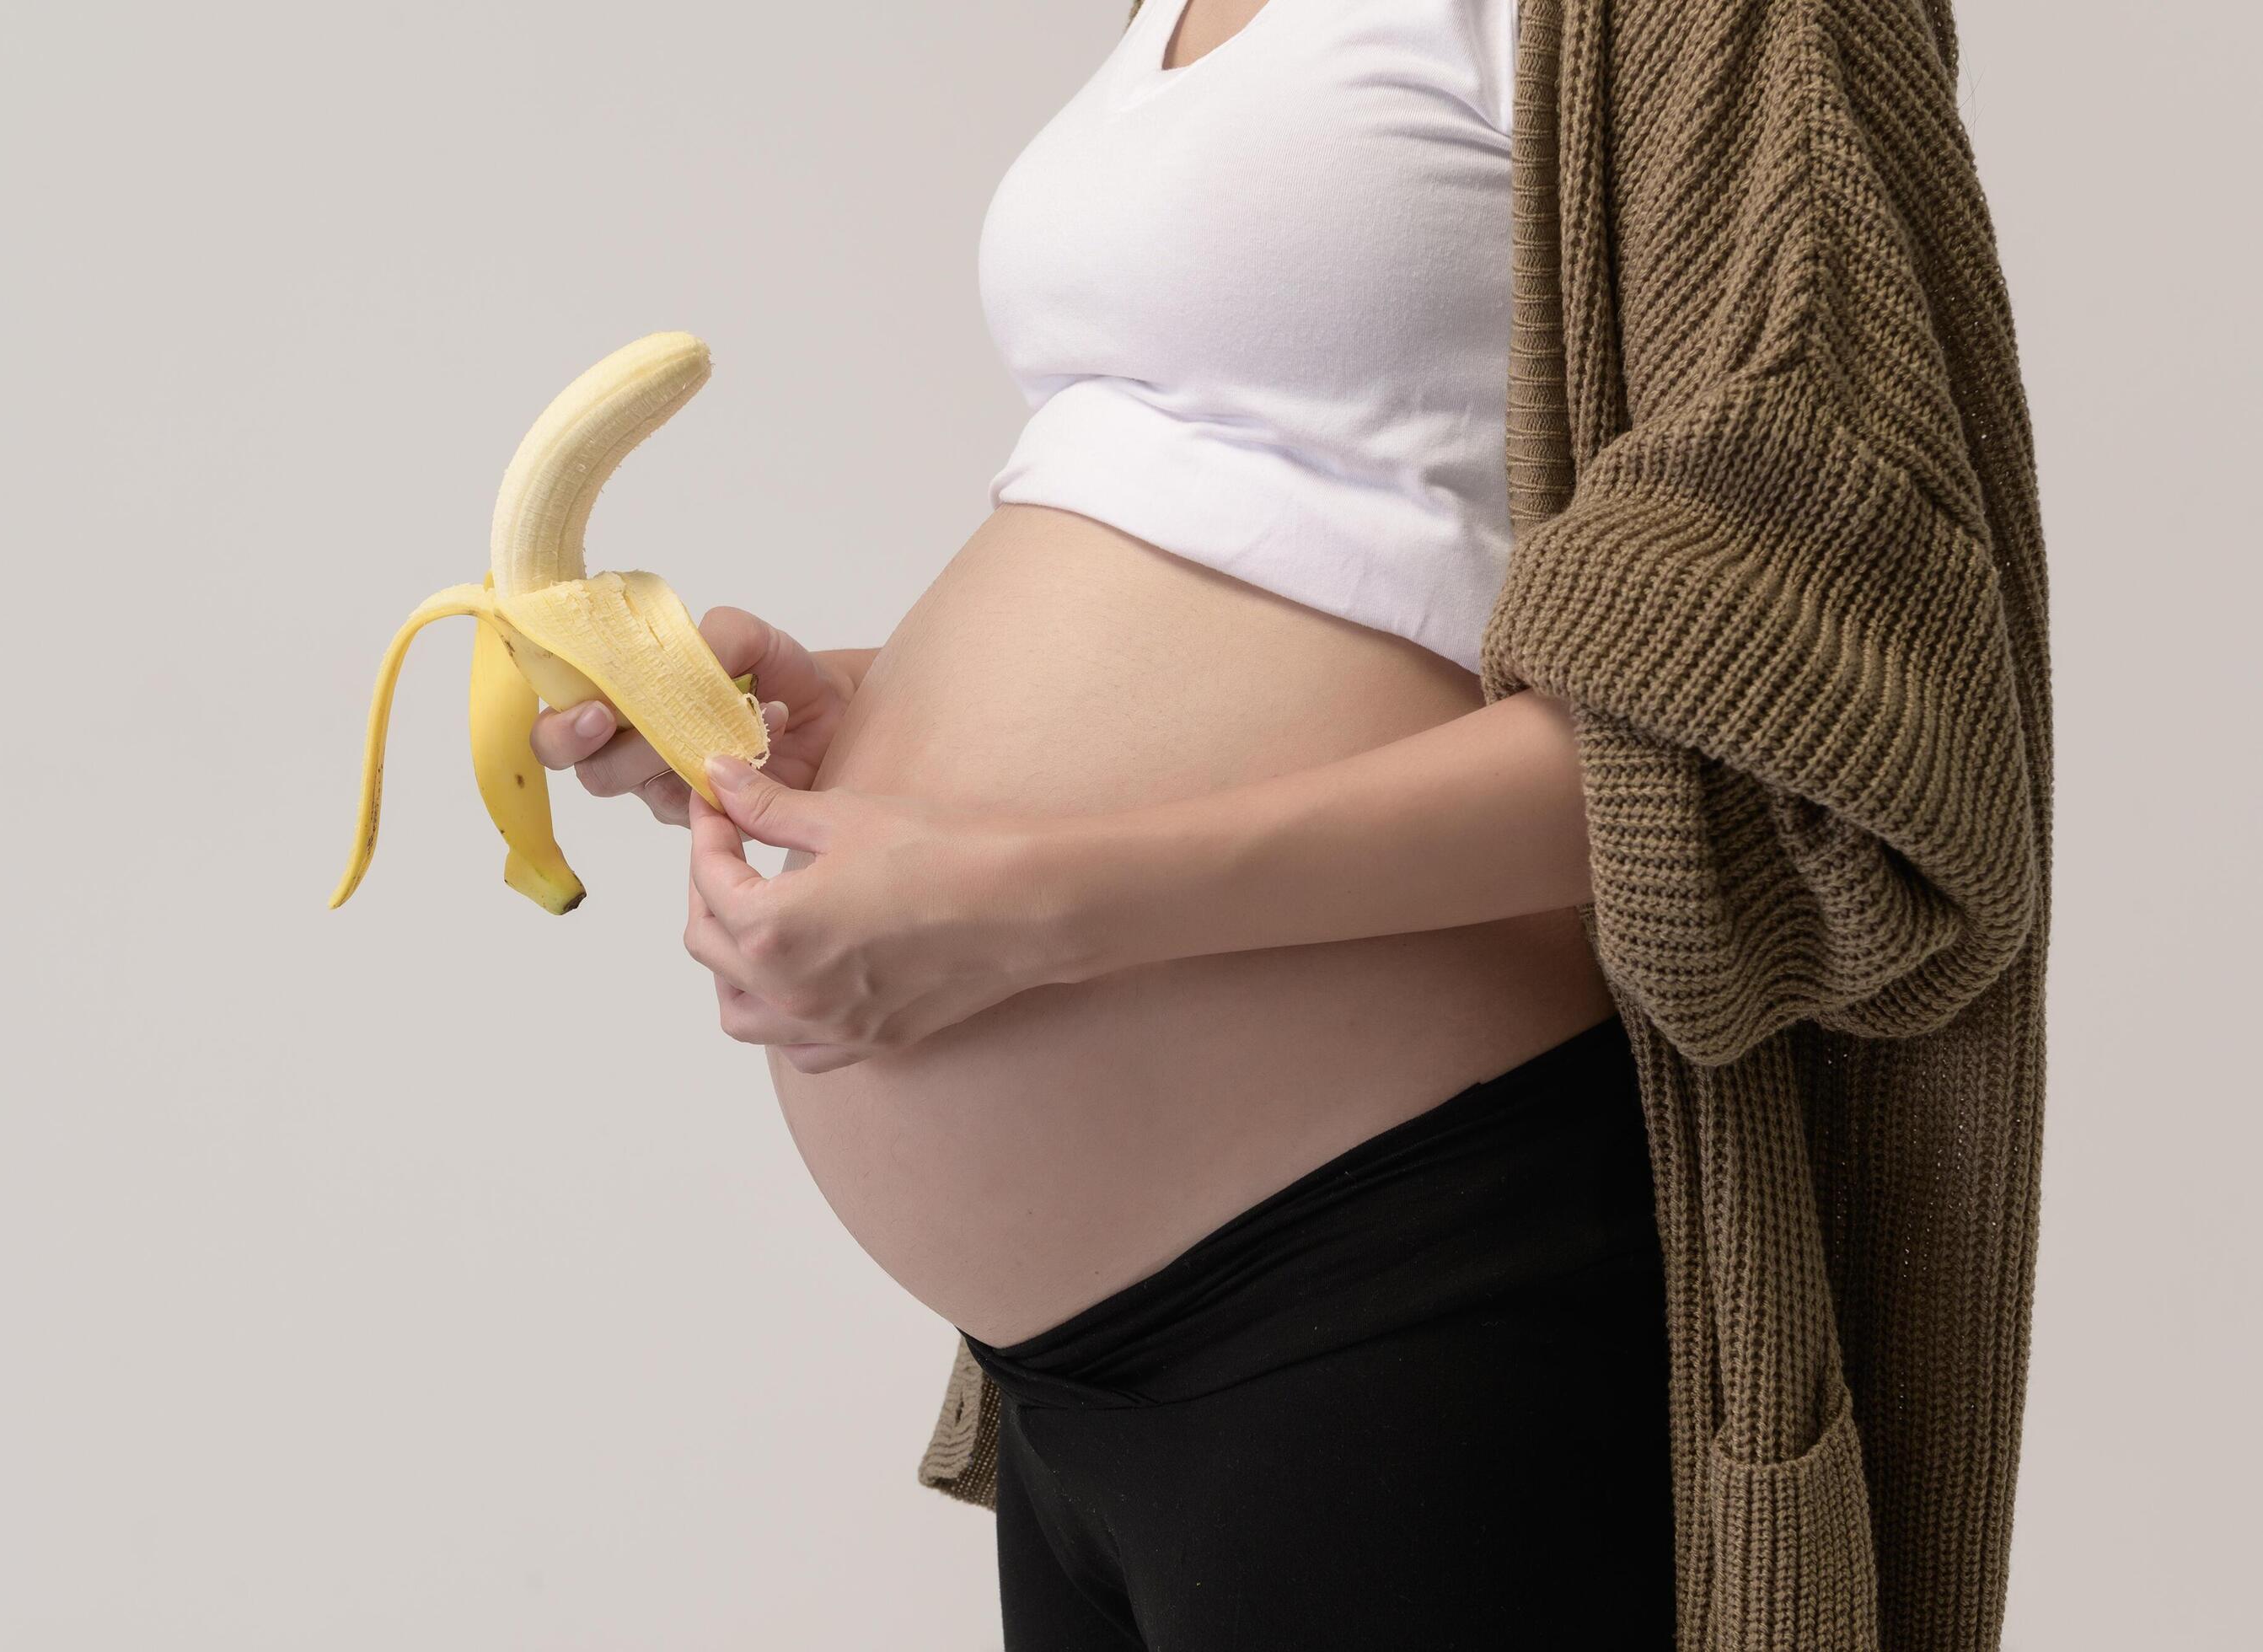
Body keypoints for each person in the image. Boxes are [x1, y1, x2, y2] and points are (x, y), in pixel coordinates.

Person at [534, 1, 2051, 1648]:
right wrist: (873, 718)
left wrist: (1037, 895)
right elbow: (1333, 545)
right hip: (1075, 1388)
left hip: (1402, 1287)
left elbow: (1796, 706)